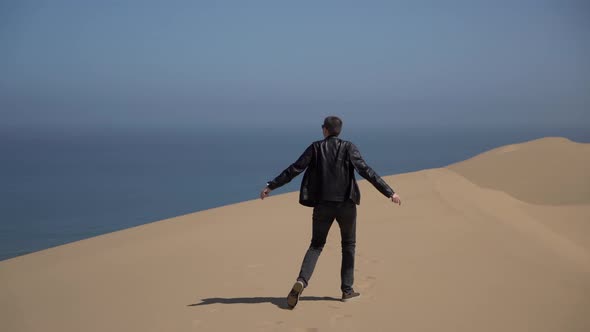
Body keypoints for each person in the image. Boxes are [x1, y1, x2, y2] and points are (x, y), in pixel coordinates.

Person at [260, 116, 401, 309]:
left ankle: (301, 281)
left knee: (316, 246)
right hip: (346, 205)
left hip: (322, 205)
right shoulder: (349, 147)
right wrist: (390, 192)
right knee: (348, 245)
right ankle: (347, 290)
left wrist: (271, 186)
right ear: (339, 131)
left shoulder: (316, 148)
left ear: (325, 130)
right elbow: (366, 171)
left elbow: (295, 169)